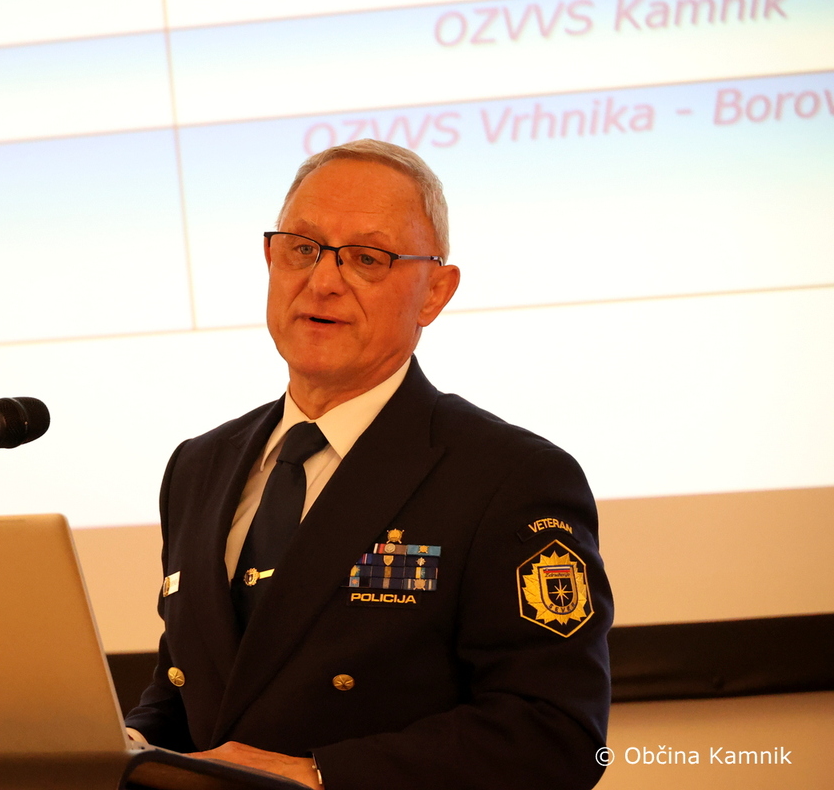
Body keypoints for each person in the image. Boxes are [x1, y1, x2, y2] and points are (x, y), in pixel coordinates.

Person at [124, 139, 613, 789]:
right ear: (270, 260)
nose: (323, 281)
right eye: (302, 248)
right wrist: (125, 745)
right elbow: (189, 688)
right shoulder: (199, 465)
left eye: (367, 258)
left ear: (435, 292)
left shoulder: (509, 478)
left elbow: (558, 734)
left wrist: (317, 776)